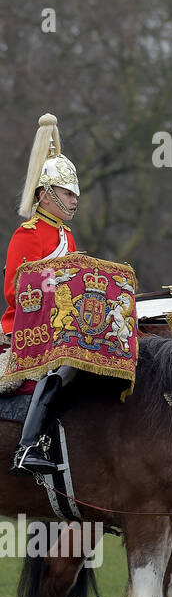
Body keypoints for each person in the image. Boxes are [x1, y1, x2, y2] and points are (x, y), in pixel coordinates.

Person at [3, 113, 81, 474]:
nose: (74, 199)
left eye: (75, 193)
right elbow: (15, 291)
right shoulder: (28, 235)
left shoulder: (67, 238)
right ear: (45, 194)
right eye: (67, 192)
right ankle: (29, 445)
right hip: (26, 332)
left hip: (63, 329)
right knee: (60, 370)